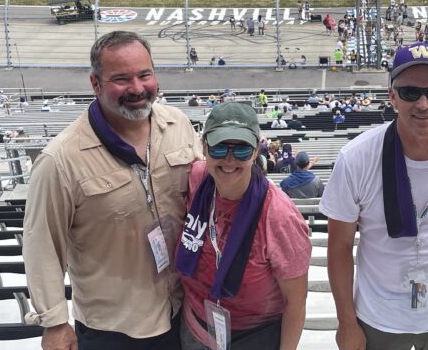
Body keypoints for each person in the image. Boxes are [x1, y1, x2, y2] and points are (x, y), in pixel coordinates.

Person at [23, 31, 200, 350]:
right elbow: (42, 245)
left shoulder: (178, 124)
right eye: (121, 79)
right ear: (95, 83)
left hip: (182, 310)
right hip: (113, 329)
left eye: (144, 75)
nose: (137, 88)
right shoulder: (60, 159)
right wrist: (55, 323)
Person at [320, 42, 428, 350]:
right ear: (392, 97)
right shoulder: (356, 158)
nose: (423, 104)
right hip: (378, 317)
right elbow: (340, 246)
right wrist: (346, 322)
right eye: (410, 92)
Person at [176, 102, 311, 349]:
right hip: (195, 326)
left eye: (241, 150)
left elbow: (296, 300)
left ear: (255, 151)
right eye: (219, 149)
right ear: (204, 146)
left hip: (253, 337)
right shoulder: (196, 179)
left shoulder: (280, 216)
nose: (229, 160)